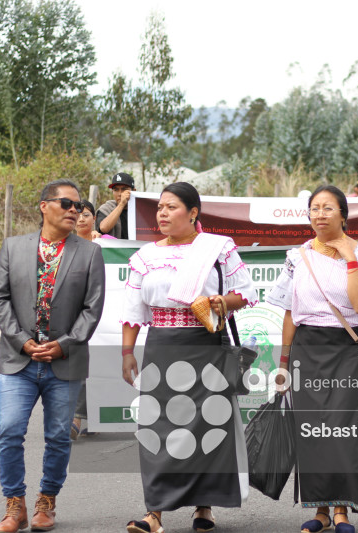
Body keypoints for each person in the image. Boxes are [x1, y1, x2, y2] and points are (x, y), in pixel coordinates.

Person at [120, 182, 258, 533]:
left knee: (208, 424)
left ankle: (204, 507)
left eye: (171, 207)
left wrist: (223, 302)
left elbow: (247, 292)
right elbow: (134, 308)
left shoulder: (218, 248)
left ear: (193, 212)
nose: (162, 213)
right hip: (161, 348)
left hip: (207, 345)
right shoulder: (146, 257)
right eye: (160, 208)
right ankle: (154, 512)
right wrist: (126, 351)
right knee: (158, 426)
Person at [267, 184, 358, 533]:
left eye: (327, 208)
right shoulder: (297, 256)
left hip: (344, 348)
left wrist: (348, 256)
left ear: (343, 214)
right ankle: (320, 510)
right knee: (312, 431)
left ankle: (342, 510)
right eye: (314, 208)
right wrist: (283, 361)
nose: (319, 215)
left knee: (342, 428)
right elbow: (291, 312)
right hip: (306, 350)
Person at [0, 179, 106, 533]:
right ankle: (15, 505)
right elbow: (0, 298)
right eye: (67, 204)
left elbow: (93, 307)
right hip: (18, 360)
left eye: (79, 206)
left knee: (57, 436)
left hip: (64, 361)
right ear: (44, 206)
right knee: (9, 431)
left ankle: (46, 502)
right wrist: (21, 340)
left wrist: (66, 343)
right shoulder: (13, 247)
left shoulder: (89, 252)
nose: (75, 210)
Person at [71, 199, 99, 438]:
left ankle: (97, 415)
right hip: (75, 315)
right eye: (78, 214)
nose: (81, 218)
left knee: (101, 366)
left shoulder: (106, 245)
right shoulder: (65, 247)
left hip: (104, 315)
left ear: (94, 219)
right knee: (76, 362)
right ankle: (76, 417)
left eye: (86, 214)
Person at [97, 172, 136, 239]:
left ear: (134, 191)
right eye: (116, 190)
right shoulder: (106, 208)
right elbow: (103, 228)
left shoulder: (139, 209)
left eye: (124, 189)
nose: (120, 194)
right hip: (115, 249)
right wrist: (121, 204)